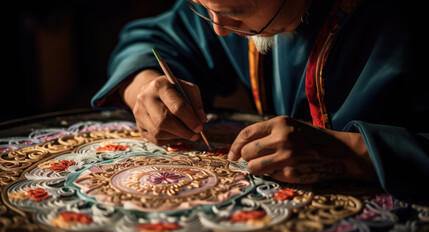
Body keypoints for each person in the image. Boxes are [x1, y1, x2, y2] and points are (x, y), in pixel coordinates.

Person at [91, 0, 428, 201]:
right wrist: (145, 84)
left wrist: (359, 153)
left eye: (235, 13)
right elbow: (152, 40)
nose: (220, 29)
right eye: (203, 7)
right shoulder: (223, 11)